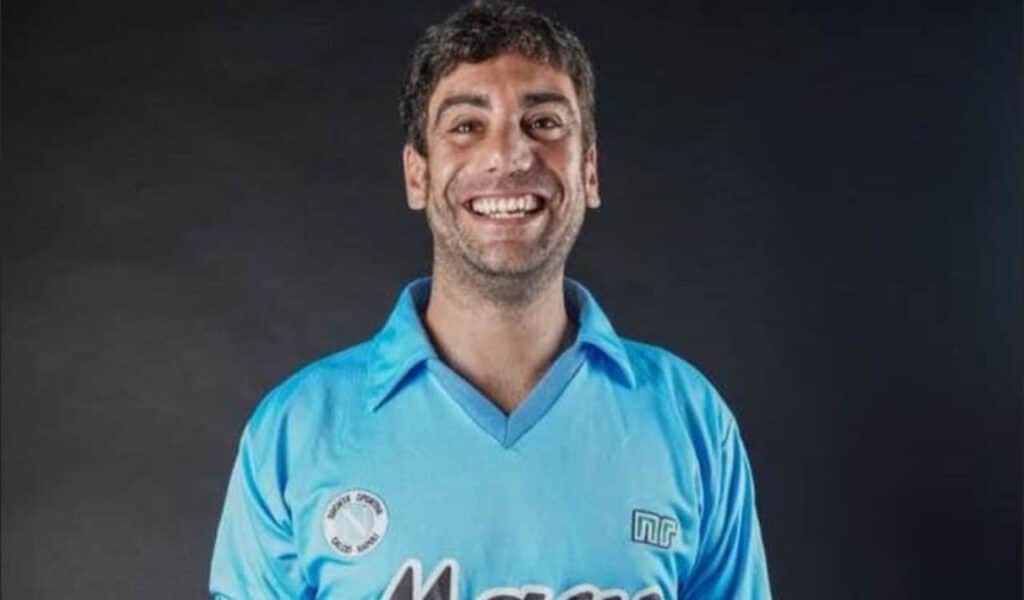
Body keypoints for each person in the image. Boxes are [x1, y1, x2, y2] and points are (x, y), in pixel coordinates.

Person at [209, 2, 772, 598]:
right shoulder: (296, 430)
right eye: (467, 126)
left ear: (589, 171)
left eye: (544, 122)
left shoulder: (689, 419)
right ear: (417, 175)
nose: (509, 155)